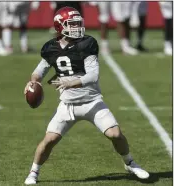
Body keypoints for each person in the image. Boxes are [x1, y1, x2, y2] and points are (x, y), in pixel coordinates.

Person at [24, 6, 149, 185]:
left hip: (92, 102)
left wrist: (70, 82)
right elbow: (39, 71)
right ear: (60, 26)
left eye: (77, 23)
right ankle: (33, 172)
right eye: (71, 24)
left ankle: (130, 163)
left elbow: (93, 75)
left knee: (115, 135)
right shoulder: (51, 48)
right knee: (49, 140)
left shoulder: (86, 44)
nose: (76, 27)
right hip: (67, 105)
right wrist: (33, 82)